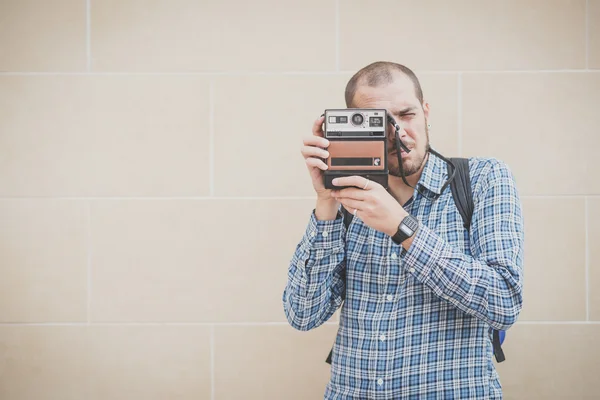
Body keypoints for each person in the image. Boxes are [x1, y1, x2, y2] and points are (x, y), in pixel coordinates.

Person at [282, 61, 525, 399]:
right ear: (354, 130)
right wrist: (326, 203)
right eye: (380, 123)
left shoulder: (483, 179)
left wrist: (402, 227)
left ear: (426, 112)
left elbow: (504, 300)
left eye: (406, 114)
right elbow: (302, 314)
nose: (399, 133)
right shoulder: (349, 205)